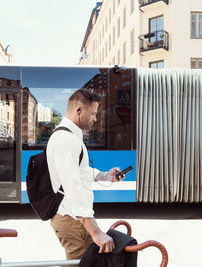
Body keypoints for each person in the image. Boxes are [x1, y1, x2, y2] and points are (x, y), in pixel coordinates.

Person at [47, 88, 124, 263]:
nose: (95, 119)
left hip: (72, 220)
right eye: (93, 114)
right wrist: (96, 231)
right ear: (79, 110)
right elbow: (73, 187)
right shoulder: (67, 140)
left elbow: (77, 172)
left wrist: (105, 176)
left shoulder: (69, 136)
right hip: (73, 221)